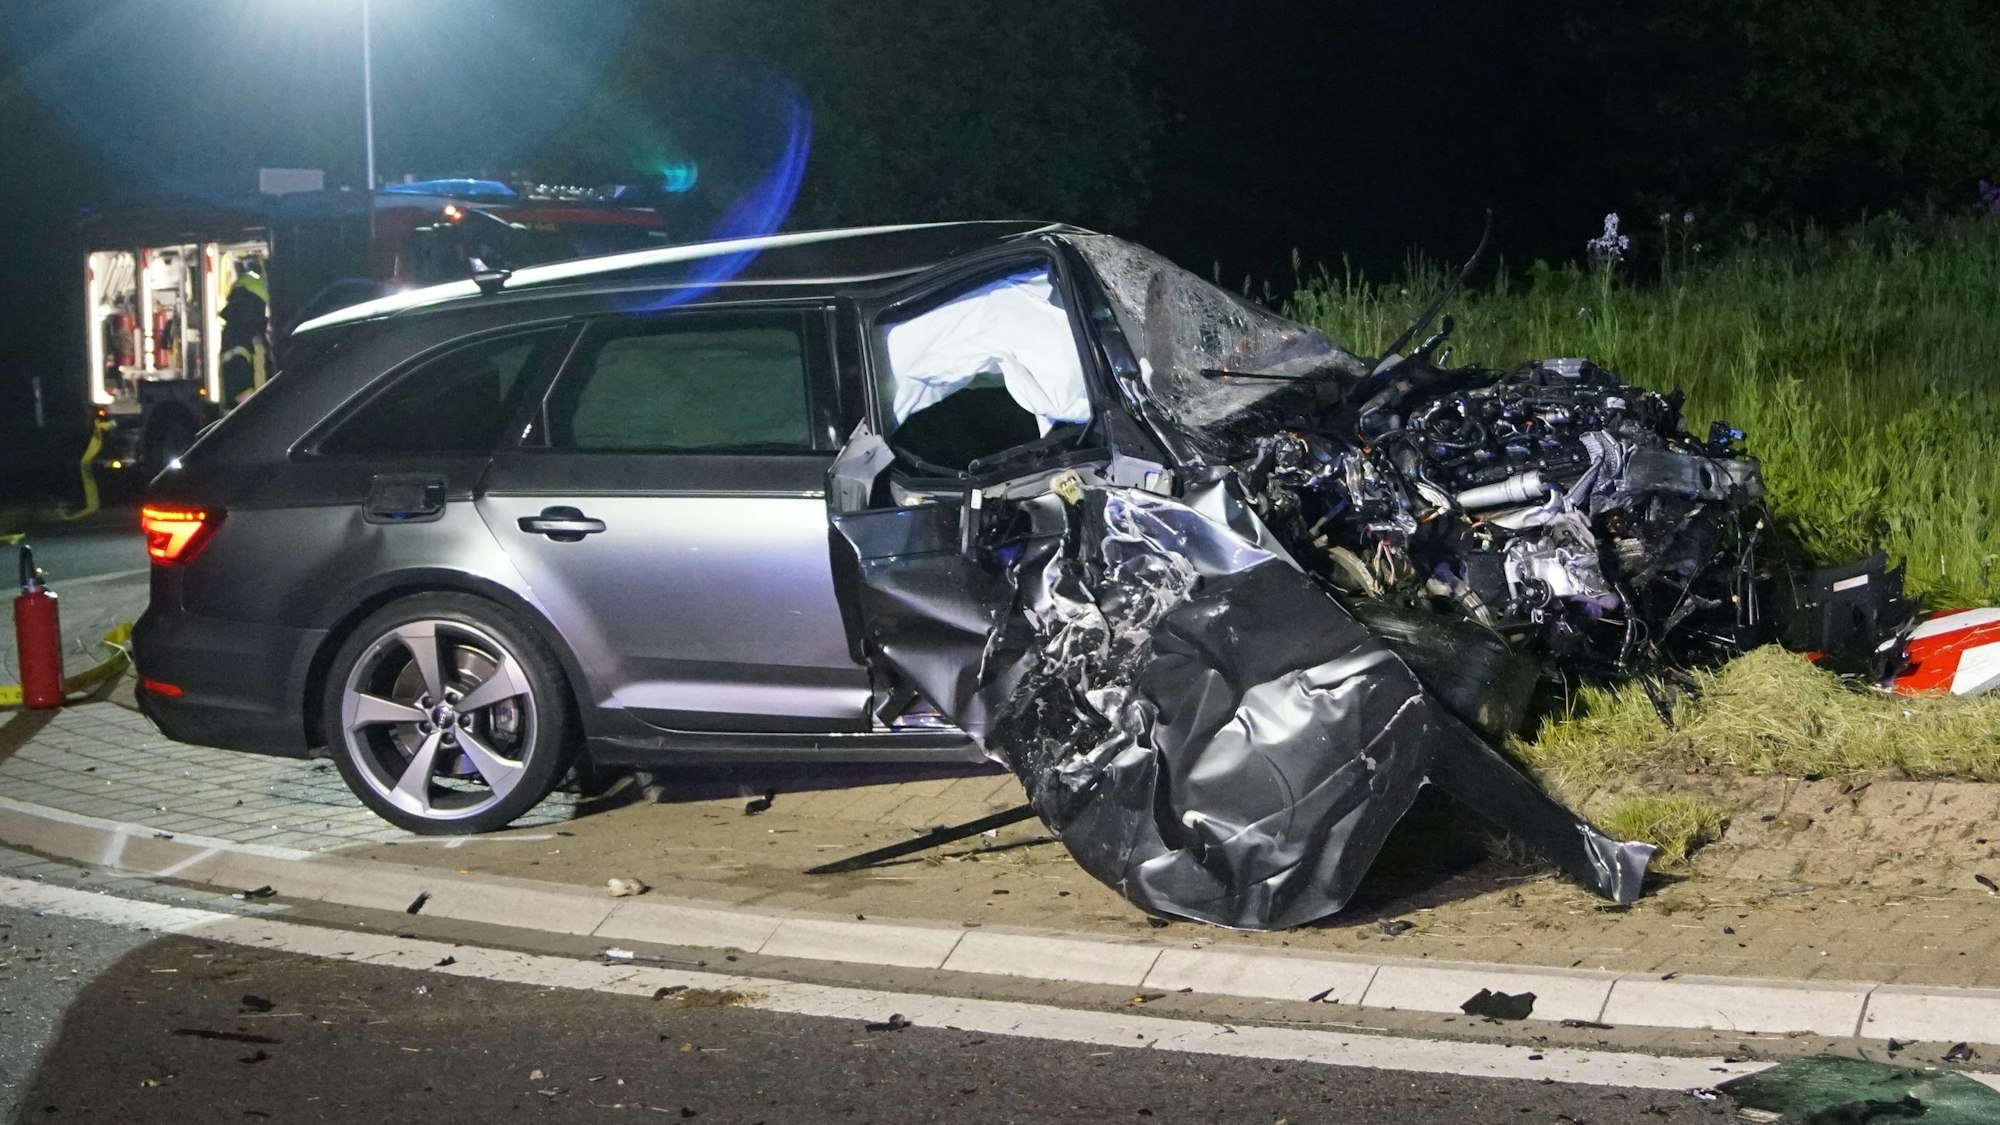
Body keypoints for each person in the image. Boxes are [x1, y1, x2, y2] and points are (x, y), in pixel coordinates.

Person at [218, 260, 270, 406]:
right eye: (260, 308)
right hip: (251, 418)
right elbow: (240, 390)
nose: (262, 316)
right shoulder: (238, 336)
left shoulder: (245, 334)